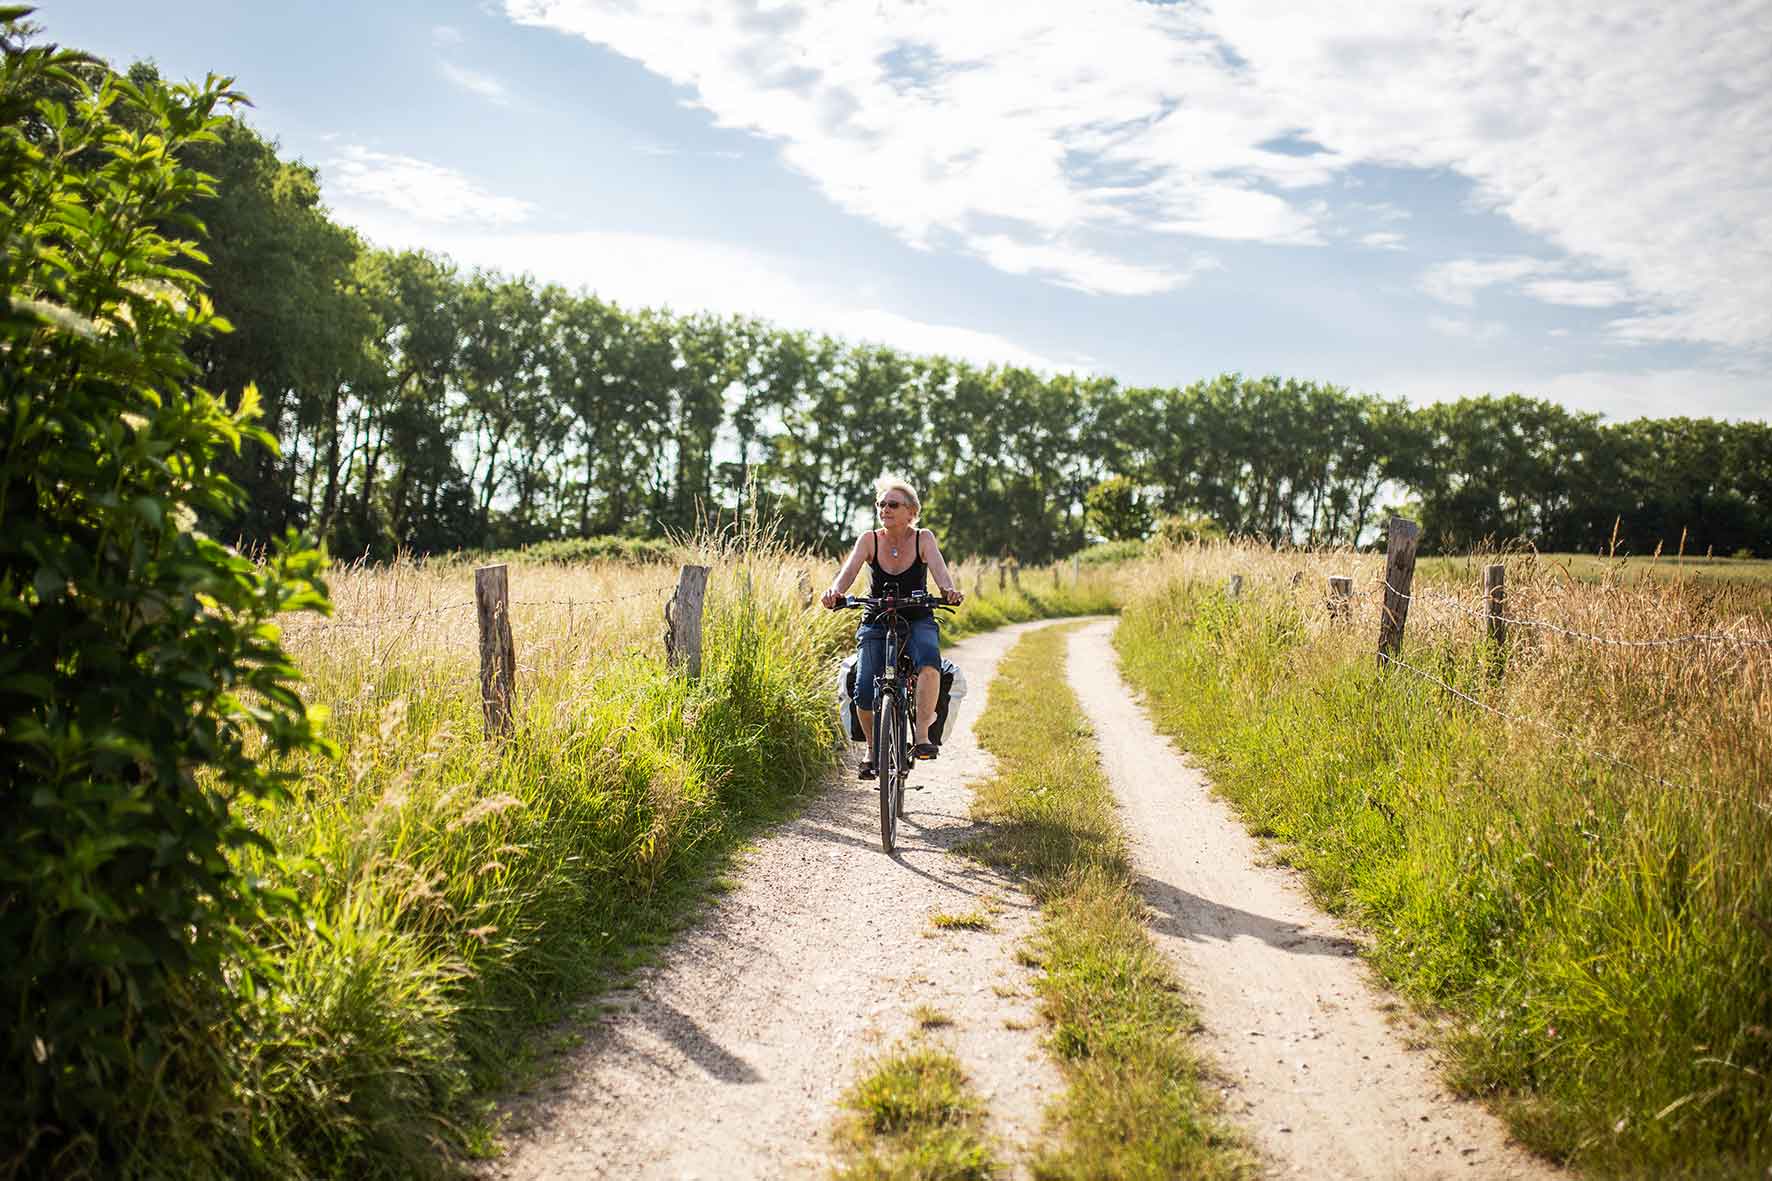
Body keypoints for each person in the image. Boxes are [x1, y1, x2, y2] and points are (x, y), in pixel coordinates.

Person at [821, 475, 963, 779]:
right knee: (863, 687)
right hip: (877, 618)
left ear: (911, 512)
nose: (885, 508)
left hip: (917, 617)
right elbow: (846, 574)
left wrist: (949, 590)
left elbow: (940, 573)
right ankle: (873, 750)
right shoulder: (869, 539)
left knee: (928, 661)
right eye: (881, 504)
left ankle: (922, 736)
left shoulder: (923, 538)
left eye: (893, 504)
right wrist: (834, 592)